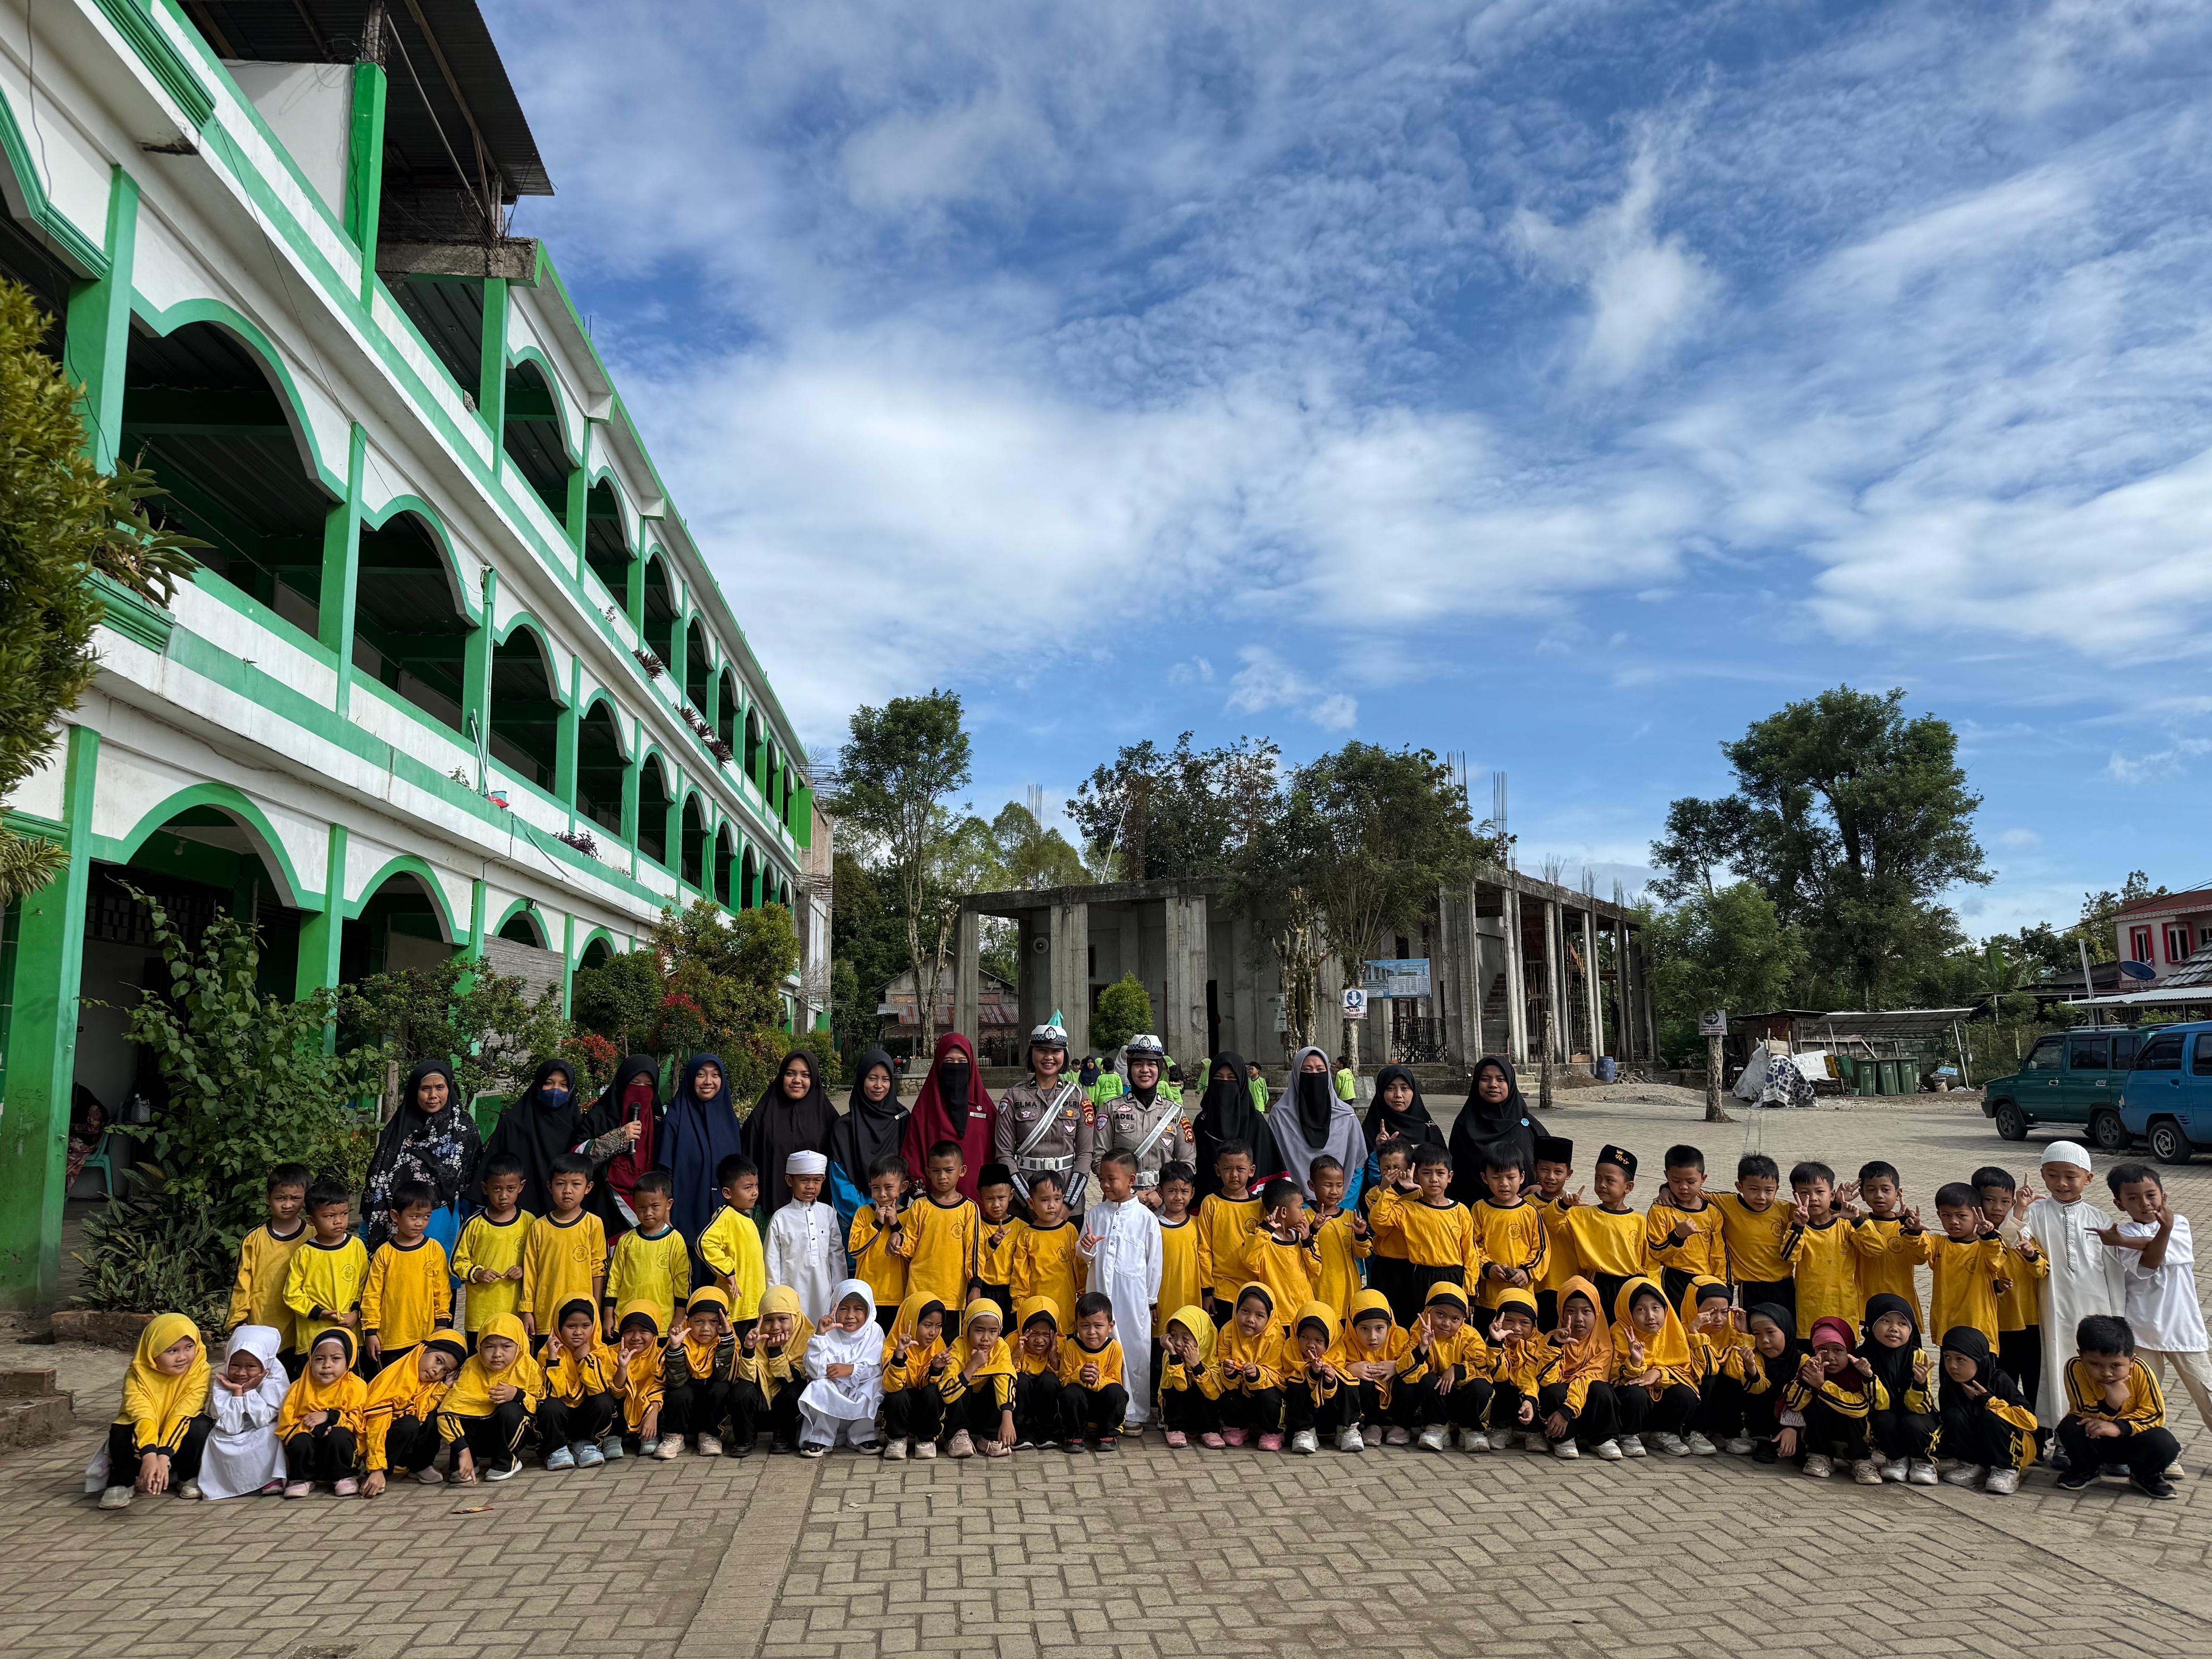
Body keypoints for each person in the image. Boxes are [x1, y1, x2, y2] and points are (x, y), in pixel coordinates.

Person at [2097, 1162, 2212, 1441]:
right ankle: (2159, 1459)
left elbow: (2157, 1244)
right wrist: (2124, 1239)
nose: (2145, 1204)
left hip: (2184, 1329)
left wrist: (2121, 1240)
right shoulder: (2126, 1232)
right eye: (2133, 1198)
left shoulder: (2179, 1223)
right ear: (2120, 1203)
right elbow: (2151, 1262)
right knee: (2145, 1400)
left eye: (2151, 1195)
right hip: (2142, 1332)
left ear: (2164, 1197)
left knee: (2207, 1391)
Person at [2021, 1141, 2126, 1426]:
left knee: (2101, 1366)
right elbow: (2010, 1238)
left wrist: (2118, 1318)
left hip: (2097, 1308)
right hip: (2054, 1306)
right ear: (2043, 1175)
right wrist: (2019, 1210)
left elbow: (2114, 1275)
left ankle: (2107, 1430)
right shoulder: (2036, 1212)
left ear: (2088, 1179)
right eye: (2053, 1175)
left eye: (2070, 1176)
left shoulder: (2100, 1219)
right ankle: (2065, 1433)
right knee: (2059, 1363)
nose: (2061, 1183)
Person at [480, 1058, 628, 1220]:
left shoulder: (580, 1128)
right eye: (549, 1083)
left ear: (571, 1089)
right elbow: (492, 1168)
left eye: (563, 1085)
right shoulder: (514, 1123)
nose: (556, 1090)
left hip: (566, 1216)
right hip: (516, 1216)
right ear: (538, 1085)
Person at [361, 1060, 480, 1258]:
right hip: (396, 1218)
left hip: (441, 1217)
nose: (433, 1096)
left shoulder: (463, 1129)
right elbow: (377, 1177)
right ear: (415, 1091)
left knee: (436, 1277)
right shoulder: (398, 1129)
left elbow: (473, 1182)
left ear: (449, 1089)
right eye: (425, 1088)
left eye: (440, 1087)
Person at [1078, 1149, 1162, 1428]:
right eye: (1101, 1179)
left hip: (1134, 1300)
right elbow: (1082, 1252)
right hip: (1100, 1295)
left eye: (1111, 1179)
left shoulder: (1146, 1219)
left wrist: (1151, 1300)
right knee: (1100, 1348)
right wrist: (1087, 1249)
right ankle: (1101, 1412)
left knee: (1134, 1351)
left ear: (1131, 1180)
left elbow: (1154, 1263)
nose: (1104, 1185)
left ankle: (1135, 1413)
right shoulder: (1096, 1213)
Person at [94, 1313, 212, 1509]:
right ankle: (122, 1482)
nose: (182, 1357)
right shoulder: (137, 1373)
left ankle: (186, 1475)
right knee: (121, 1428)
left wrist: (163, 1457)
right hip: (145, 1434)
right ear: (152, 1351)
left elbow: (182, 1414)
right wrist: (149, 1456)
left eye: (189, 1348)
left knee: (199, 1424)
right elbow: (143, 1415)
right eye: (172, 1351)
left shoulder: (200, 1369)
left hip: (174, 1434)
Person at [2054, 1314, 2175, 1500]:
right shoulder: (2075, 1368)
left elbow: (2155, 1413)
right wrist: (2112, 1402)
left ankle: (2146, 1476)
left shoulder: (2142, 1370)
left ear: (2132, 1361)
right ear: (2081, 1355)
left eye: (2116, 1365)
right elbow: (2083, 1409)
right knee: (2070, 1426)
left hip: (2131, 1438)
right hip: (2094, 1436)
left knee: (2164, 1442)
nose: (2107, 1373)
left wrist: (2119, 1427)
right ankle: (2085, 1471)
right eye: (2095, 1364)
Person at [658, 1053, 746, 1283]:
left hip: (724, 1217)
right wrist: (666, 1216)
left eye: (715, 1075)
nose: (708, 1081)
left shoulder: (729, 1121)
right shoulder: (674, 1120)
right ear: (690, 1079)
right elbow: (664, 1171)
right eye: (701, 1075)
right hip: (686, 1215)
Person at [995, 1020, 1094, 1211]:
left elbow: (1085, 1154)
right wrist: (1028, 1202)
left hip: (1066, 1192)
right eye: (1042, 1050)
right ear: (1031, 1053)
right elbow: (1004, 1155)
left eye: (1055, 1052)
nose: (1049, 1057)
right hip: (1027, 1193)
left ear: (1064, 1056)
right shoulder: (1014, 1097)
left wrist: (1068, 1205)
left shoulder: (1079, 1096)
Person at [361, 1179, 453, 1375]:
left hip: (425, 1336)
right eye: (413, 1216)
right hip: (390, 1338)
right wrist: (370, 1332)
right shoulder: (385, 1253)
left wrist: (442, 1324)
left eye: (426, 1217)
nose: (420, 1223)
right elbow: (372, 1295)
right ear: (396, 1216)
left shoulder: (434, 1250)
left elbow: (442, 1291)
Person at [435, 1312, 541, 1483]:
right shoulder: (471, 1366)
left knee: (511, 1409)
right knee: (460, 1411)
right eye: (490, 1347)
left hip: (508, 1437)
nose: (497, 1354)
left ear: (520, 1346)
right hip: (475, 1439)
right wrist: (463, 1451)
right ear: (479, 1347)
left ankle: (506, 1461)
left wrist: (517, 1394)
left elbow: (538, 1407)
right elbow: (446, 1412)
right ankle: (466, 1462)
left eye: (506, 1346)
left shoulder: (528, 1367)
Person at [1091, 1034, 1195, 1204]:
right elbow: (1099, 1159)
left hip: (1164, 1206)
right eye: (1138, 1064)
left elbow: (1187, 1163)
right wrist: (1130, 1194)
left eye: (1151, 1064)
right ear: (1130, 1068)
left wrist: (1162, 1194)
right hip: (1120, 1203)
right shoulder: (1111, 1108)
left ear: (1160, 1068)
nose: (1145, 1070)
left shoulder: (1175, 1112)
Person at [1937, 1326, 2040, 1496]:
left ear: (1979, 1360)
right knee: (1953, 1415)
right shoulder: (1951, 1384)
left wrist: (1988, 1400)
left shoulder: (1999, 1380)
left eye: (1960, 1359)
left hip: (2015, 1449)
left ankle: (2006, 1469)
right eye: (1947, 1357)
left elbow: (2031, 1422)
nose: (1952, 1366)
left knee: (1992, 1417)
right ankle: (1973, 1465)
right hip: (1981, 1447)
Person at [519, 1152, 608, 1343]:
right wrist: (527, 1310)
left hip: (583, 1318)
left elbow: (598, 1270)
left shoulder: (593, 1224)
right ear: (550, 1186)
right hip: (547, 1314)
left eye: (576, 1184)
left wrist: (596, 1310)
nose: (568, 1190)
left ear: (588, 1187)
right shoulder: (539, 1226)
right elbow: (530, 1271)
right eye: (561, 1184)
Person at [1608, 1276, 1702, 1458]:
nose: (1650, 1316)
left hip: (1661, 1393)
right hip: (1634, 1398)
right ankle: (1629, 1435)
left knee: (1686, 1395)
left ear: (1665, 1309)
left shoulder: (1673, 1331)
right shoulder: (1620, 1333)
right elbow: (1614, 1377)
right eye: (1641, 1309)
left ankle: (1663, 1433)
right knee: (1635, 1393)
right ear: (1629, 1312)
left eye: (1656, 1308)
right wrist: (1636, 1363)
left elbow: (1685, 1369)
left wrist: (1658, 1372)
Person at [1780, 1316, 1880, 1484]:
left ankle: (1862, 1461)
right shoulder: (1811, 1370)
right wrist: (1806, 1381)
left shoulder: (1857, 1374)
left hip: (1855, 1441)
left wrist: (1822, 1386)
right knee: (1813, 1405)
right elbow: (1794, 1404)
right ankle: (1819, 1455)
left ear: (1849, 1349)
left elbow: (1859, 1409)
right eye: (1823, 1350)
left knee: (1848, 1410)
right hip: (1821, 1438)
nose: (1831, 1357)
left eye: (1838, 1350)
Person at [361, 1334, 465, 1493]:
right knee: (409, 1423)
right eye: (438, 1360)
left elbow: (424, 1408)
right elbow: (376, 1428)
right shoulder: (392, 1380)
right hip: (377, 1444)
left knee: (435, 1412)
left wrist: (444, 1388)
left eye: (445, 1370)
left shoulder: (430, 1383)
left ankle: (420, 1466)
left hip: (404, 1440)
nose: (437, 1371)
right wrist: (376, 1469)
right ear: (422, 1350)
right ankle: (377, 1474)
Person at [229, 1163, 309, 1367]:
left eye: (295, 1198)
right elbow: (242, 1281)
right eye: (280, 1198)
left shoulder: (315, 1236)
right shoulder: (254, 1239)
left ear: (306, 1198)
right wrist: (239, 1321)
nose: (288, 1205)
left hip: (302, 1326)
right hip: (262, 1324)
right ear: (268, 1198)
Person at [901, 1032, 996, 1200]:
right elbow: (912, 1157)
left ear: (971, 1066)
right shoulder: (924, 1110)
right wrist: (924, 1200)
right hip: (937, 1207)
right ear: (938, 1065)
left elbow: (999, 1155)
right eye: (949, 1062)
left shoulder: (986, 1109)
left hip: (981, 1208)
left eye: (962, 1062)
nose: (956, 1068)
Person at [1401, 1284, 1493, 1454]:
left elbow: (1484, 1368)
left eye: (1455, 1319)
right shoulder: (1419, 1333)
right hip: (1438, 1400)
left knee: (1481, 1386)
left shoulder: (1471, 1336)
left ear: (1463, 1321)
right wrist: (1422, 1347)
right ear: (1427, 1312)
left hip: (1463, 1398)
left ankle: (1471, 1431)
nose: (1446, 1323)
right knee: (1427, 1379)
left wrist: (1458, 1370)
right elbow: (1407, 1373)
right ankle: (1438, 1427)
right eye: (1440, 1314)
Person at [199, 1325, 288, 1501]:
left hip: (261, 1429)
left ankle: (269, 1479)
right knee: (216, 1438)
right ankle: (227, 1484)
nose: (241, 1373)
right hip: (233, 1429)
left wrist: (249, 1392)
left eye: (250, 1366)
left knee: (272, 1432)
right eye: (235, 1365)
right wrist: (238, 1394)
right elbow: (230, 1427)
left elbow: (262, 1420)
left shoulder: (275, 1379)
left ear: (265, 1365)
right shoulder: (223, 1380)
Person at [744, 1050, 837, 1217]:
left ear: (814, 1079)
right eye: (790, 1074)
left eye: (805, 1075)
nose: (797, 1080)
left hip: (815, 1214)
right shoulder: (763, 1115)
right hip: (769, 1212)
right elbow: (748, 1160)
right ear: (782, 1076)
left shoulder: (827, 1117)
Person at [282, 1179, 368, 1356]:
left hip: (349, 1334)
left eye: (344, 1214)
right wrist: (318, 1312)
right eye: (330, 1216)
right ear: (311, 1221)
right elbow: (291, 1294)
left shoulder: (357, 1246)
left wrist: (356, 1313)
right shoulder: (305, 1253)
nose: (339, 1221)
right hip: (314, 1336)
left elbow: (366, 1285)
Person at [453, 1154, 531, 1350]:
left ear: (521, 1187)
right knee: (477, 1363)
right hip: (480, 1315)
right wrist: (476, 1273)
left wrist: (523, 1270)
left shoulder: (530, 1223)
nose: (504, 1195)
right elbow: (456, 1263)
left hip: (514, 1313)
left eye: (510, 1189)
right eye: (497, 1189)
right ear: (485, 1188)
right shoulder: (474, 1224)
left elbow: (539, 1263)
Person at [1857, 1293, 1937, 1484]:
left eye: (1902, 1324)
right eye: (1885, 1321)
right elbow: (1879, 1405)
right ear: (1871, 1325)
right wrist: (1869, 1378)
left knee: (1914, 1422)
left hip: (1915, 1414)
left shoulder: (1918, 1356)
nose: (1894, 1328)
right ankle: (1896, 1458)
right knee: (1884, 1419)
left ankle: (1922, 1461)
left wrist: (1920, 1383)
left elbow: (1921, 1407)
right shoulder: (1862, 1358)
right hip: (1885, 1415)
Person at [798, 1281, 884, 1456]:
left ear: (869, 1311)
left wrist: (852, 1370)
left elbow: (878, 1368)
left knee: (876, 1384)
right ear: (834, 1308)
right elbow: (815, 1372)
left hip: (859, 1389)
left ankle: (863, 1435)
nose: (850, 1315)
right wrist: (821, 1336)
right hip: (833, 1391)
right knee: (818, 1386)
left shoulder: (874, 1331)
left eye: (858, 1309)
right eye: (844, 1308)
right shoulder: (827, 1330)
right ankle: (821, 1437)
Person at [1535, 1277, 1618, 1459]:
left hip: (1574, 1410)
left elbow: (1589, 1378)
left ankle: (1601, 1439)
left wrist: (1567, 1410)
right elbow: (1546, 1379)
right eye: (1571, 1311)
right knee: (1554, 1391)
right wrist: (1556, 1346)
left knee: (1601, 1389)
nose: (1579, 1319)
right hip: (1561, 1414)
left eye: (1586, 1311)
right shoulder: (1550, 1339)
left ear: (1597, 1313)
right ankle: (1562, 1438)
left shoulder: (1605, 1344)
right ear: (1561, 1313)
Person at [1446, 1055, 1548, 1202]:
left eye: (1501, 1079)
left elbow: (1552, 1163)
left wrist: (1541, 1186)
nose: (1493, 1084)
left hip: (1525, 1212)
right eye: (1486, 1079)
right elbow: (1455, 1173)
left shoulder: (1526, 1124)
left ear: (1511, 1083)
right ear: (1476, 1083)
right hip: (1476, 1213)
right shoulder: (1464, 1125)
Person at [279, 1329, 368, 1497]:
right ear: (310, 1361)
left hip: (339, 1445)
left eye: (336, 1359)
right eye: (320, 1359)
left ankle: (345, 1476)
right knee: (298, 1440)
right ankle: (301, 1479)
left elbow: (360, 1421)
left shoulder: (356, 1386)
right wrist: (311, 1428)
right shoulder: (299, 1388)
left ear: (349, 1361)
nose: (327, 1365)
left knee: (340, 1436)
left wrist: (331, 1417)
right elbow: (286, 1422)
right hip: (307, 1437)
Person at [1271, 1045, 1365, 1203]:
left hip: (1342, 1211)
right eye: (1307, 1070)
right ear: (1296, 1076)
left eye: (1320, 1070)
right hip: (1295, 1212)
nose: (1314, 1075)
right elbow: (1276, 1167)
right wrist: (1299, 1209)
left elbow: (1358, 1165)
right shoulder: (1281, 1116)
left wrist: (1343, 1207)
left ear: (1328, 1075)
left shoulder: (1346, 1115)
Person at [604, 1168, 689, 1340]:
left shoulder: (675, 1240)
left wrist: (679, 1317)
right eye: (641, 1207)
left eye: (655, 1206)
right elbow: (614, 1279)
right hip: (626, 1320)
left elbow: (682, 1282)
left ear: (668, 1204)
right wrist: (608, 1316)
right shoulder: (627, 1240)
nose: (648, 1213)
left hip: (662, 1322)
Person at [1560, 1145, 1647, 1313]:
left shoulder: (1639, 1220)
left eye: (1610, 1180)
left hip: (1631, 1285)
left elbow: (1649, 1261)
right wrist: (1564, 1205)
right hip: (1596, 1282)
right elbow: (1552, 1222)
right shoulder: (1582, 1215)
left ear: (1628, 1187)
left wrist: (1653, 1286)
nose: (1602, 1185)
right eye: (1597, 1179)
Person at [538, 1297, 623, 1470]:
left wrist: (586, 1359)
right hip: (562, 1415)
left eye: (585, 1326)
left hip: (587, 1416)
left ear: (594, 1326)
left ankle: (586, 1443)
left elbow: (598, 1389)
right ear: (558, 1326)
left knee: (604, 1401)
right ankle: (557, 1448)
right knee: (549, 1406)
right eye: (571, 1327)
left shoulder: (599, 1351)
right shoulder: (547, 1353)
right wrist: (553, 1359)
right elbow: (556, 1392)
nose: (578, 1332)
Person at [827, 1048, 907, 1230]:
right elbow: (839, 1177)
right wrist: (866, 1216)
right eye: (872, 1078)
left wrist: (891, 1209)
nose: (879, 1085)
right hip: (856, 1222)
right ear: (862, 1079)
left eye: (885, 1079)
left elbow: (905, 1171)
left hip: (894, 1216)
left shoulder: (902, 1119)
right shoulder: (844, 1126)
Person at [1712, 1153, 1795, 1327]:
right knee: (1753, 1330)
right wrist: (1666, 1189)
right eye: (1754, 1189)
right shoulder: (1727, 1203)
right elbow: (1695, 1192)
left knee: (1786, 1329)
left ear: (1777, 1189)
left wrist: (1837, 1203)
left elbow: (1819, 1213)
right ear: (1740, 1186)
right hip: (1749, 1286)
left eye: (1769, 1190)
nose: (1761, 1197)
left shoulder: (1785, 1209)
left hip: (1784, 1284)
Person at [730, 1284, 814, 1456]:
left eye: (783, 1319)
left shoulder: (806, 1339)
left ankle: (783, 1438)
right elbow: (747, 1379)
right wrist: (749, 1350)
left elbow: (790, 1379)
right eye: (768, 1320)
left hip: (785, 1413)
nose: (775, 1326)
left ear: (795, 1318)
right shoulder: (755, 1337)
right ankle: (745, 1439)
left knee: (796, 1389)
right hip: (761, 1410)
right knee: (740, 1391)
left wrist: (775, 1352)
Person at [764, 1149, 843, 1324]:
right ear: (790, 1181)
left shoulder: (828, 1213)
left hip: (824, 1294)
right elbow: (772, 1262)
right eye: (804, 1180)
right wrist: (776, 1299)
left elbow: (836, 1255)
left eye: (816, 1180)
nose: (811, 1186)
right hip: (791, 1293)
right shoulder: (781, 1217)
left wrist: (839, 1292)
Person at [1192, 1051, 1284, 1200]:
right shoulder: (1202, 1122)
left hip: (1250, 1208)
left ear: (1241, 1083)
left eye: (1232, 1078)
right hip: (1206, 1207)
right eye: (1218, 1078)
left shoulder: (1256, 1122)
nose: (1225, 1083)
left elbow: (1268, 1168)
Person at [1327, 1289, 1411, 1452]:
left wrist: (1398, 1366)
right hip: (1369, 1404)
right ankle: (1373, 1424)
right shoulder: (1346, 1342)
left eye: (1379, 1328)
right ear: (1352, 1326)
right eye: (1364, 1329)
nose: (1372, 1337)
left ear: (1389, 1325)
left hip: (1396, 1401)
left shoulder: (1400, 1337)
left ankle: (1402, 1425)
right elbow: (1331, 1363)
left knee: (1409, 1380)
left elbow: (1419, 1365)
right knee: (1362, 1383)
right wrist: (1348, 1368)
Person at [588, 1053, 663, 1234]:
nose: (641, 1090)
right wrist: (618, 1137)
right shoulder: (600, 1117)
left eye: (649, 1085)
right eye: (635, 1083)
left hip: (650, 1210)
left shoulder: (661, 1123)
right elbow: (576, 1159)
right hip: (604, 1206)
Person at [903, 1141, 981, 1315]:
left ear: (962, 1171)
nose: (942, 1176)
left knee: (952, 1343)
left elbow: (973, 1251)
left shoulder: (969, 1208)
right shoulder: (920, 1206)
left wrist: (976, 1284)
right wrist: (898, 1240)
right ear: (928, 1172)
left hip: (953, 1295)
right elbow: (909, 1247)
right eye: (936, 1171)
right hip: (919, 1290)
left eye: (949, 1170)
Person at [657, 1288, 735, 1460]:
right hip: (686, 1404)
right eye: (699, 1321)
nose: (706, 1329)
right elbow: (676, 1381)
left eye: (714, 1321)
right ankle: (674, 1436)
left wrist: (726, 1340)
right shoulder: (681, 1340)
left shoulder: (728, 1340)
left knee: (721, 1388)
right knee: (679, 1392)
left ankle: (710, 1435)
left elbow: (723, 1375)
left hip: (710, 1403)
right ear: (688, 1321)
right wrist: (676, 1349)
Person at [1646, 1145, 1727, 1308]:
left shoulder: (1713, 1213)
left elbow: (1719, 1256)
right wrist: (1677, 1236)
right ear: (1666, 1176)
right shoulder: (1661, 1211)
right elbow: (1655, 1252)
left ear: (1703, 1179)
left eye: (1691, 1182)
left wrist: (1722, 1286)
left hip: (1706, 1281)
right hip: (1674, 1280)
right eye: (1676, 1181)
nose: (1683, 1187)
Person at [938, 1298, 1017, 1459]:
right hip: (961, 1411)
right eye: (979, 1330)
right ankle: (957, 1435)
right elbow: (946, 1393)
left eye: (993, 1331)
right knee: (961, 1383)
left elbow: (1005, 1382)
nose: (986, 1338)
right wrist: (973, 1366)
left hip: (984, 1413)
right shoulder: (958, 1347)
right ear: (967, 1328)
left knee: (1004, 1380)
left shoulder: (1001, 1347)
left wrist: (1007, 1418)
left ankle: (989, 1437)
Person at [1786, 1161, 1855, 1338]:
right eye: (1805, 1193)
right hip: (1809, 1312)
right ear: (1796, 1196)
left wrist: (1858, 1221)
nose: (1813, 1198)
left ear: (1832, 1195)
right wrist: (1798, 1227)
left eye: (1820, 1192)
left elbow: (1875, 1248)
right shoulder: (1797, 1228)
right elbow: (1788, 1256)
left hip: (1843, 1309)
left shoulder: (1846, 1225)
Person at [1214, 1284, 1286, 1449]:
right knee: (1226, 1391)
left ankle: (1273, 1431)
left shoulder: (1276, 1336)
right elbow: (1221, 1362)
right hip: (1239, 1386)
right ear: (1237, 1309)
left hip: (1265, 1388)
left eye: (1259, 1315)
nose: (1250, 1319)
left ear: (1269, 1317)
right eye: (1245, 1311)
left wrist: (1257, 1373)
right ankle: (1237, 1427)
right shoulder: (1228, 1330)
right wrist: (1229, 1372)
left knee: (1270, 1396)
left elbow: (1278, 1376)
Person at [879, 1294, 952, 1460]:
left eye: (938, 1326)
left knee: (933, 1392)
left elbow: (934, 1384)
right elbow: (892, 1386)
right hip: (901, 1408)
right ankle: (897, 1438)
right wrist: (899, 1355)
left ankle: (926, 1439)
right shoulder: (892, 1346)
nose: (933, 1332)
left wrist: (935, 1369)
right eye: (927, 1325)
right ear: (911, 1321)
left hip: (925, 1413)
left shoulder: (939, 1346)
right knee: (896, 1396)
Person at [698, 1155, 766, 1329]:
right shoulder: (726, 1215)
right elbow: (704, 1243)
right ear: (727, 1193)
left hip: (753, 1305)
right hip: (736, 1307)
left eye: (756, 1185)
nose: (755, 1192)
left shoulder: (746, 1218)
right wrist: (728, 1270)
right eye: (748, 1187)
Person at [1011, 1169, 1085, 1325]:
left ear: (1063, 1199)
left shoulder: (1069, 1230)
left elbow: (1079, 1265)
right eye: (1045, 1200)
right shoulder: (1027, 1235)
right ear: (1031, 1203)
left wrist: (1084, 1291)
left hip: (1066, 1306)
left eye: (1057, 1199)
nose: (1052, 1206)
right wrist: (1020, 1302)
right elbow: (1020, 1273)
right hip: (1037, 1308)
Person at [1058, 1291, 1129, 1452]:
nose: (1091, 1332)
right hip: (1079, 1405)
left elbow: (1115, 1381)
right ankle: (1075, 1434)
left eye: (1098, 1326)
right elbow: (1063, 1379)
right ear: (1077, 1325)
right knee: (1070, 1393)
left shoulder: (1114, 1348)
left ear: (1110, 1326)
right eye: (1085, 1326)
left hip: (1102, 1404)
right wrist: (1079, 1375)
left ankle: (1108, 1433)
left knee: (1117, 1393)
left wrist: (1098, 1379)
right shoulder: (1071, 1346)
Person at [850, 1154, 912, 1321]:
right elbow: (854, 1250)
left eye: (889, 1188)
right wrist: (877, 1224)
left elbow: (912, 1254)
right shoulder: (864, 1213)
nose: (882, 1194)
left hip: (898, 1295)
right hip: (867, 1294)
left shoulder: (910, 1215)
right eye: (876, 1188)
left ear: (903, 1187)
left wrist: (895, 1226)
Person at [1279, 1301, 1345, 1456]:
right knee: (1297, 1383)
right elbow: (1286, 1377)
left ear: (1330, 1339)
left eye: (1319, 1341)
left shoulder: (1338, 1350)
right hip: (1301, 1413)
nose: (1311, 1345)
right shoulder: (1291, 1349)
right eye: (1305, 1337)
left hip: (1329, 1413)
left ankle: (1347, 1429)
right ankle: (1304, 1431)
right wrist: (1311, 1372)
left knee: (1347, 1381)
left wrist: (1327, 1375)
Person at [1363, 1063, 1444, 1179]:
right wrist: (1381, 1150)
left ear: (1414, 1091)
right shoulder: (1370, 1130)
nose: (1398, 1095)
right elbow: (1361, 1174)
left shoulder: (1429, 1129)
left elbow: (1443, 1169)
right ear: (1381, 1092)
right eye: (1390, 1088)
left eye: (1405, 1088)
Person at [1157, 1305, 1221, 1448]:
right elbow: (1180, 1387)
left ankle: (1209, 1429)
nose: (1178, 1343)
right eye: (1173, 1336)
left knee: (1207, 1383)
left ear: (1202, 1337)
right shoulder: (1170, 1354)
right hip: (1176, 1411)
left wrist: (1197, 1366)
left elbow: (1214, 1394)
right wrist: (1174, 1358)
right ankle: (1174, 1428)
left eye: (1185, 1338)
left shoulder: (1212, 1355)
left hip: (1199, 1414)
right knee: (1175, 1385)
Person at [1011, 1298, 1065, 1449]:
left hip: (1045, 1401)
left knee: (1049, 1380)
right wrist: (1016, 1355)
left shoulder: (1061, 1344)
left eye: (1046, 1334)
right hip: (1022, 1400)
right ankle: (1020, 1431)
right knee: (1020, 1380)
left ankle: (1045, 1431)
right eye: (1033, 1333)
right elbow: (1004, 1374)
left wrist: (1054, 1356)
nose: (1039, 1340)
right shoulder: (1013, 1341)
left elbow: (1063, 1378)